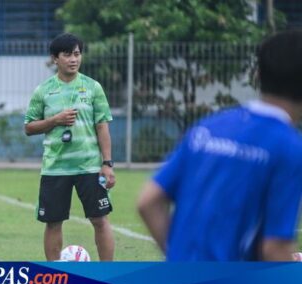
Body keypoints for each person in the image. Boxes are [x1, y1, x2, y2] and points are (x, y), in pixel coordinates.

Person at [137, 30, 302, 261]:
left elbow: (148, 201)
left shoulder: (208, 127)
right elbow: (274, 248)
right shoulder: (289, 148)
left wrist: (180, 260)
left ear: (258, 74)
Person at [24, 33, 116, 261]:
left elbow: (102, 126)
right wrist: (55, 120)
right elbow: (29, 127)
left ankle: (109, 275)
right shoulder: (43, 90)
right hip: (55, 168)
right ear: (55, 59)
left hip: (91, 167)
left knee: (100, 219)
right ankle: (57, 278)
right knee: (53, 222)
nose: (74, 59)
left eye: (77, 54)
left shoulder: (93, 87)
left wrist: (107, 164)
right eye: (67, 55)